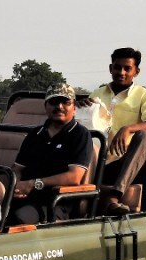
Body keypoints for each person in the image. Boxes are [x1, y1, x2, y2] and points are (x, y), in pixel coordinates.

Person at [80, 47, 146, 216]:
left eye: (127, 68)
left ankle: (114, 196)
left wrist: (128, 128)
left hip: (125, 163)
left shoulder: (145, 96)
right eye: (117, 67)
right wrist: (81, 108)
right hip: (97, 160)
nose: (121, 72)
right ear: (111, 68)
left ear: (136, 72)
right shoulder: (97, 93)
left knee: (144, 135)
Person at [10, 83, 92, 225]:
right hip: (25, 197)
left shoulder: (80, 135)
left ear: (74, 107)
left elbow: (74, 177)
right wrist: (15, 186)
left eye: (65, 102)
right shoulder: (35, 134)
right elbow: (17, 169)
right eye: (54, 102)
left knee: (18, 218)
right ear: (45, 106)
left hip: (56, 203)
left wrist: (34, 184)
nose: (59, 107)